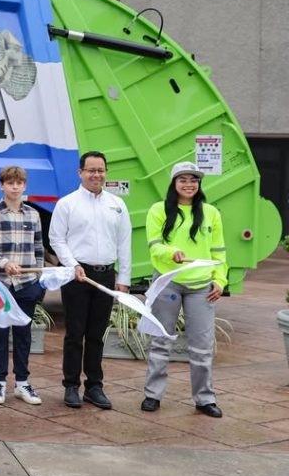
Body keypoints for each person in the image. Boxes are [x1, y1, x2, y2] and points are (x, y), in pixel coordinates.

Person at [141, 162, 227, 418]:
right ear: (173, 183)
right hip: (168, 281)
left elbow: (219, 251)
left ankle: (205, 399)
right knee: (161, 340)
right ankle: (152, 395)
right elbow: (154, 246)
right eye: (183, 179)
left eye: (194, 180)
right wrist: (171, 253)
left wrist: (220, 280)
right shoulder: (159, 210)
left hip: (202, 286)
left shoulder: (211, 213)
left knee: (202, 345)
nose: (189, 184)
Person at [49, 151, 131, 410]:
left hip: (106, 276)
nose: (97, 175)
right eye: (91, 170)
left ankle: (94, 386)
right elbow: (57, 239)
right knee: (75, 333)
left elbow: (124, 242)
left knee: (97, 334)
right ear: (80, 173)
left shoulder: (117, 204)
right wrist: (72, 265)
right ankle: (71, 385)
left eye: (101, 170)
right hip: (77, 276)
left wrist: (124, 278)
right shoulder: (67, 203)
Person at [0, 165, 45, 406]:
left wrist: (37, 277)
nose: (15, 187)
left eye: (19, 183)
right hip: (0, 284)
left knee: (23, 335)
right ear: (2, 186)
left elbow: (39, 248)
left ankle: (21, 383)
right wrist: (4, 262)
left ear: (24, 185)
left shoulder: (33, 214)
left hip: (27, 285)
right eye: (10, 183)